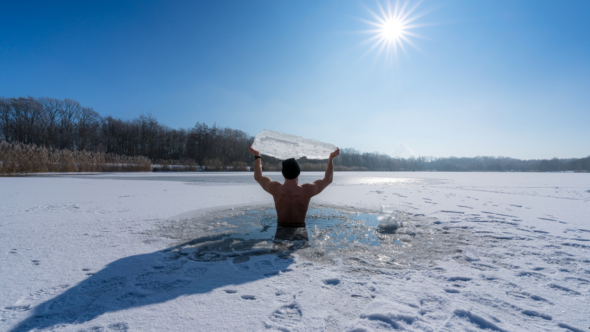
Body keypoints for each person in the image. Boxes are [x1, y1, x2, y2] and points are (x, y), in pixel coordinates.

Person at [248, 146, 340, 228]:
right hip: (300, 229)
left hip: (281, 229)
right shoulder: (307, 190)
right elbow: (328, 179)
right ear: (298, 172)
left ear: (283, 173)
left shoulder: (276, 189)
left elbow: (258, 177)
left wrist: (257, 155)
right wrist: (331, 158)